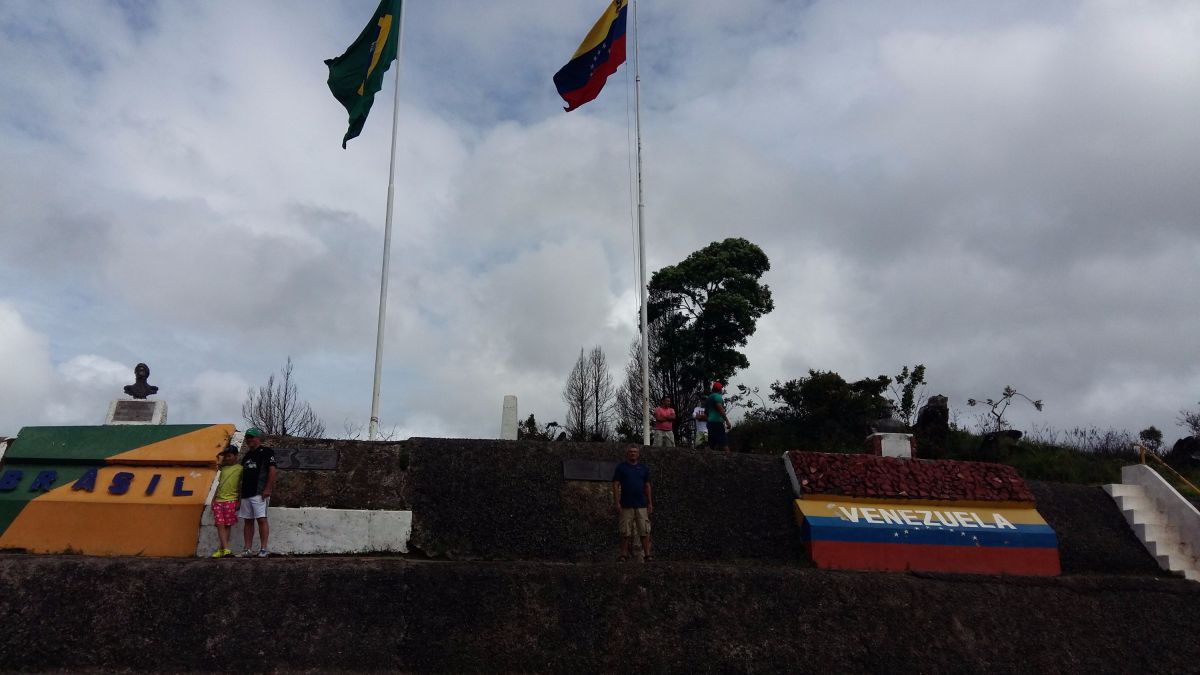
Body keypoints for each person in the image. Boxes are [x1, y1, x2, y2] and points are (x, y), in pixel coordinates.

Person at [237, 427, 277, 558]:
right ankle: (247, 549)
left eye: (252, 437)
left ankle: (264, 548)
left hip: (259, 492)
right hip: (246, 493)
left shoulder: (266, 452)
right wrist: (240, 495)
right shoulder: (246, 456)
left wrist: (268, 488)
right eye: (247, 437)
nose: (249, 439)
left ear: (258, 438)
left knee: (261, 519)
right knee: (248, 521)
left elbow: (272, 470)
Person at [612, 445, 653, 562]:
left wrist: (650, 503)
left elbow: (647, 486)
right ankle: (623, 555)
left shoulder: (644, 469)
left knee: (644, 531)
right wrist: (617, 502)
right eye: (630, 452)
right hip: (626, 504)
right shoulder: (621, 468)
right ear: (627, 454)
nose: (633, 453)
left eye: (635, 452)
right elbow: (615, 485)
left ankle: (647, 555)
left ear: (638, 454)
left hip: (641, 505)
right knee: (625, 531)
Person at [210, 445, 243, 558]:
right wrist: (213, 499)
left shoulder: (240, 469)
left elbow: (240, 486)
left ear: (236, 456)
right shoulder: (223, 469)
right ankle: (226, 549)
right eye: (226, 456)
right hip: (218, 500)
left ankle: (222, 549)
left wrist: (239, 500)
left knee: (227, 525)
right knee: (220, 525)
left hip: (231, 500)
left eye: (229, 456)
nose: (227, 458)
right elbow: (219, 484)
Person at [706, 381, 733, 452]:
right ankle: (729, 458)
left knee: (711, 445)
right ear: (720, 390)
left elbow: (706, 412)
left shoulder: (709, 398)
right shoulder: (718, 397)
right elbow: (720, 409)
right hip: (717, 422)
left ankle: (703, 457)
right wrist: (727, 421)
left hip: (710, 422)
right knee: (724, 443)